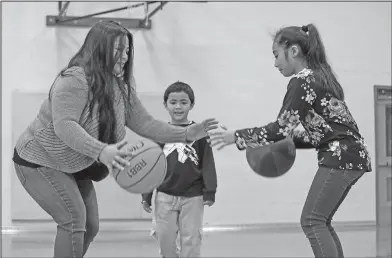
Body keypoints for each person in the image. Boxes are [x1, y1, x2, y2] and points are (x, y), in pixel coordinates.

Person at [12, 21, 218, 258]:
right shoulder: (74, 79)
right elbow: (65, 126)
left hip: (73, 163)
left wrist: (184, 134)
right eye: (118, 49)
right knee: (72, 218)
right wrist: (101, 151)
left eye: (127, 50)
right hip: (39, 160)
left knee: (90, 225)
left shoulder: (121, 86)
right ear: (99, 48)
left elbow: (146, 124)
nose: (125, 56)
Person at [208, 24, 372, 258]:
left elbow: (279, 128)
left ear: (293, 50)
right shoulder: (320, 78)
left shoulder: (302, 81)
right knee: (321, 221)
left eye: (276, 55)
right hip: (351, 154)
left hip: (342, 156)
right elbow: (319, 132)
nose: (275, 63)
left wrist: (236, 136)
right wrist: (285, 140)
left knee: (312, 220)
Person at [141, 81, 217, 258]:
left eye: (183, 102)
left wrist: (210, 191)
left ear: (192, 104)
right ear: (165, 104)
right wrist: (146, 194)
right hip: (164, 195)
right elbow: (153, 165)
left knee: (191, 240)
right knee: (164, 239)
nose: (178, 106)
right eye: (173, 102)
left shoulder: (199, 132)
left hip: (193, 196)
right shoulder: (160, 132)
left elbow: (207, 163)